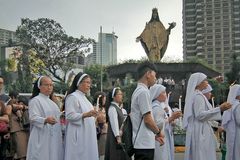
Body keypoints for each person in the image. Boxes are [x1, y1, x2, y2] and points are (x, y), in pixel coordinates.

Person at [183, 72, 231, 160]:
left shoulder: (198, 95)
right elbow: (200, 115)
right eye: (205, 80)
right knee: (202, 155)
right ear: (199, 83)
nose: (207, 82)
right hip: (200, 131)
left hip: (201, 128)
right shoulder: (198, 96)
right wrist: (219, 109)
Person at [130, 61, 164, 160]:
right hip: (144, 145)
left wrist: (154, 135)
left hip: (142, 143)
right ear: (148, 74)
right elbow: (148, 120)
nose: (155, 78)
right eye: (154, 75)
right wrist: (158, 132)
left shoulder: (138, 91)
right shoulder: (143, 92)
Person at [26, 76, 63, 160]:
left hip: (53, 136)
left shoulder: (52, 103)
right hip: (41, 136)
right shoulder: (35, 100)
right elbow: (33, 117)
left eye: (51, 85)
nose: (49, 87)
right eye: (46, 85)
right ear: (39, 86)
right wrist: (45, 120)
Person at [64, 72, 98, 160]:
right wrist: (86, 114)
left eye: (89, 83)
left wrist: (95, 115)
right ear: (79, 83)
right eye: (86, 82)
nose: (89, 85)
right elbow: (69, 116)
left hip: (87, 134)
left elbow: (90, 116)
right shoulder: (73, 97)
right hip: (79, 134)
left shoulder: (85, 98)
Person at [150, 84, 181, 160]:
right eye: (163, 93)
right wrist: (171, 118)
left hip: (163, 136)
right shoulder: (156, 107)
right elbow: (158, 124)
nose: (165, 95)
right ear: (157, 95)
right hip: (159, 138)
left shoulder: (158, 106)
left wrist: (172, 120)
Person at [104, 87, 128, 160]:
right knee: (115, 155)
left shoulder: (117, 107)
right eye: (119, 94)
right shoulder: (112, 108)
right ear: (114, 97)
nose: (121, 96)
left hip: (120, 136)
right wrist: (118, 137)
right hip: (115, 137)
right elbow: (114, 123)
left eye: (121, 94)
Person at [7, 91, 28, 160]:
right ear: (13, 97)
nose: (17, 100)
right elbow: (16, 107)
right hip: (17, 130)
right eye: (17, 97)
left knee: (18, 153)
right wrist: (24, 107)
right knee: (22, 153)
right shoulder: (10, 103)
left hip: (18, 130)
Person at [222, 84, 240, 160]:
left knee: (232, 151)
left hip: (231, 131)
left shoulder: (230, 104)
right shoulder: (238, 105)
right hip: (238, 132)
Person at [94, 91, 107, 160]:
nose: (105, 100)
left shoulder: (105, 109)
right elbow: (98, 119)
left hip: (104, 132)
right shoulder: (95, 108)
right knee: (100, 152)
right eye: (104, 99)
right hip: (99, 132)